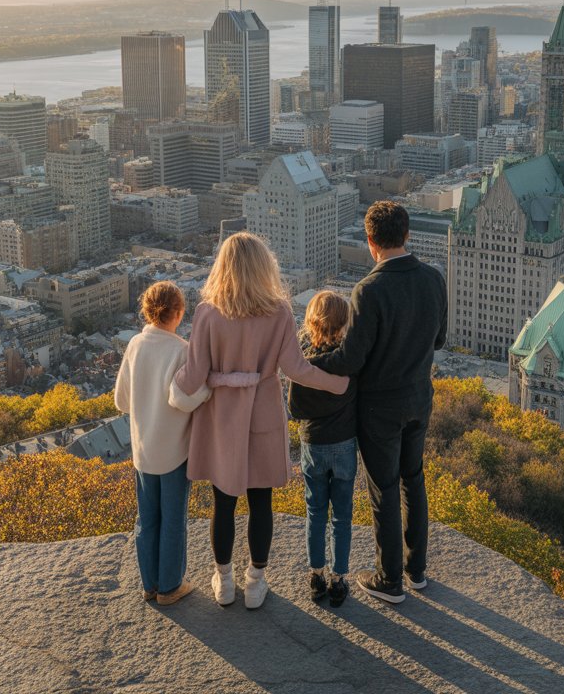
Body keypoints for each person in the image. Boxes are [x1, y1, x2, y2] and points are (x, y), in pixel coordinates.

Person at [172, 232, 349, 610]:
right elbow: (297, 369)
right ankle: (255, 582)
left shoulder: (207, 313)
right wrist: (340, 383)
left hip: (222, 418)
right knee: (260, 501)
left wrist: (160, 380)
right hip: (263, 413)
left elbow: (193, 376)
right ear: (263, 266)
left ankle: (223, 580)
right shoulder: (279, 311)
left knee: (222, 503)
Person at [316, 201, 448, 604]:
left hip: (379, 409)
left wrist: (309, 363)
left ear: (371, 243)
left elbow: (351, 360)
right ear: (407, 236)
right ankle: (417, 570)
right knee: (414, 479)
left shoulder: (368, 290)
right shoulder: (434, 279)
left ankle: (389, 579)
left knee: (384, 489)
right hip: (419, 399)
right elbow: (439, 340)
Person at [115, 281, 209, 606]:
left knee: (147, 518)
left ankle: (149, 584)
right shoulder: (182, 350)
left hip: (143, 451)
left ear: (146, 310)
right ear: (180, 312)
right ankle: (170, 587)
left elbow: (121, 400)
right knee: (173, 519)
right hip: (173, 451)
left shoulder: (135, 345)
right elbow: (188, 399)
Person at [287, 290, 357, 608]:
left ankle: (316, 574)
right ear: (344, 324)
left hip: (313, 443)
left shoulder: (301, 360)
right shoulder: (349, 359)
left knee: (315, 513)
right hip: (343, 443)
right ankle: (338, 578)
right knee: (341, 516)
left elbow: (296, 408)